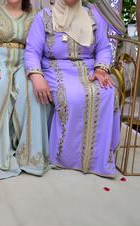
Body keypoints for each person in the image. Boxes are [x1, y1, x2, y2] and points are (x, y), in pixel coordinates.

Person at [24, 0, 120, 177]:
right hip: (55, 67)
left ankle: (100, 158)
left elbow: (104, 48)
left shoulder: (92, 16)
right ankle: (66, 158)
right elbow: (32, 51)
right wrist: (36, 75)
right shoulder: (44, 17)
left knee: (107, 92)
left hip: (90, 69)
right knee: (73, 95)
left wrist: (101, 69)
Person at [0, 0, 50, 180]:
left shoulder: (35, 15)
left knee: (31, 93)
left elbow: (39, 47)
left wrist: (36, 72)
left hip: (26, 63)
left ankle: (30, 157)